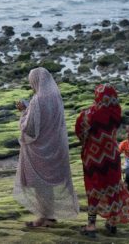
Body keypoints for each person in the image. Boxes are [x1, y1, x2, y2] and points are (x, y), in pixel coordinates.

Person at [13, 67, 79, 227]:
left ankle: (45, 217)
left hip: (39, 149)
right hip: (55, 146)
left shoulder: (38, 99)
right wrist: (29, 109)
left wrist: (23, 112)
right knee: (46, 183)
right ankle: (49, 216)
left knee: (39, 184)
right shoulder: (56, 96)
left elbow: (30, 127)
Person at [75, 84, 129, 237]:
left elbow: (79, 133)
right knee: (113, 188)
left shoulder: (87, 114)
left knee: (93, 190)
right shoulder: (116, 111)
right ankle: (113, 223)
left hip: (93, 158)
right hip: (112, 156)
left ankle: (91, 225)